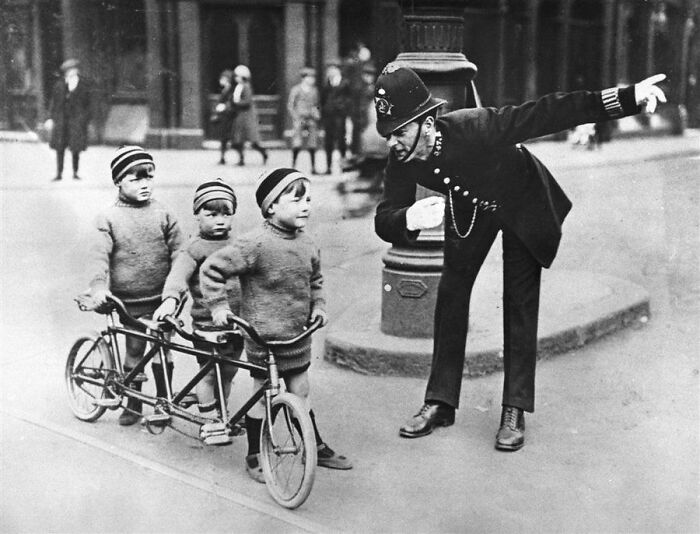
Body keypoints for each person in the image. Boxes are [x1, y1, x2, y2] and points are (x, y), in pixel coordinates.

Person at [372, 64, 667, 450]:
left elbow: (548, 111)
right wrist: (408, 217)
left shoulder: (476, 125)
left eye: (399, 132)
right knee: (451, 293)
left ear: (426, 122)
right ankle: (439, 402)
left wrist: (627, 98)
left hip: (523, 202)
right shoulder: (402, 157)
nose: (392, 142)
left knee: (520, 301)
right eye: (388, 134)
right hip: (472, 209)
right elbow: (384, 218)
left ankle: (514, 408)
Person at [200, 167, 353, 482]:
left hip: (297, 335)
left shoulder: (308, 243)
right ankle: (254, 452)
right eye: (296, 200)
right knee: (261, 393)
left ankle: (313, 444)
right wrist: (218, 306)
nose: (306, 206)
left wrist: (320, 306)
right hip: (263, 336)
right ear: (270, 207)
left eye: (308, 199)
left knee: (301, 388)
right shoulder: (254, 244)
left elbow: (316, 281)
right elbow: (212, 269)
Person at [86, 146, 184, 426]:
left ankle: (164, 404)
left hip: (163, 299)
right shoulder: (108, 218)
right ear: (118, 181)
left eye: (148, 177)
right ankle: (133, 402)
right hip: (131, 302)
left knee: (164, 348)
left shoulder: (164, 214)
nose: (144, 184)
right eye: (135, 179)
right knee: (135, 350)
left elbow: (180, 253)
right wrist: (98, 285)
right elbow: (99, 256)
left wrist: (175, 292)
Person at [153, 179, 242, 440]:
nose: (220, 220)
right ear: (197, 215)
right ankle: (209, 419)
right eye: (211, 214)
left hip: (237, 324)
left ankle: (222, 416)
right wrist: (170, 299)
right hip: (207, 326)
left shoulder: (238, 246)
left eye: (226, 213)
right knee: (208, 375)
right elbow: (177, 277)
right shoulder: (194, 249)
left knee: (228, 372)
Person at [45, 58, 92, 181]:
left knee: (75, 147)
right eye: (69, 71)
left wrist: (84, 119)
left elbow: (88, 104)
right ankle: (59, 173)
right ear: (65, 72)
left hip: (76, 120)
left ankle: (75, 172)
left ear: (77, 71)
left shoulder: (83, 85)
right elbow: (53, 103)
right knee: (59, 148)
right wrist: (50, 118)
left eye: (74, 70)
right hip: (61, 120)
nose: (72, 72)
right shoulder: (59, 85)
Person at [229, 65, 268, 167]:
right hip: (240, 115)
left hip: (247, 116)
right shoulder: (239, 86)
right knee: (238, 139)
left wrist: (236, 103)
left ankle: (263, 152)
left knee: (252, 140)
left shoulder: (246, 87)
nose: (236, 78)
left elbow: (247, 101)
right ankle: (241, 159)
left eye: (238, 76)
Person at [288, 68, 321, 174]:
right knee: (297, 141)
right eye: (309, 77)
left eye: (313, 77)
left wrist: (316, 113)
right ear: (304, 78)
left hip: (311, 118)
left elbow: (317, 104)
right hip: (300, 118)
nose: (312, 80)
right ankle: (293, 165)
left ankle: (313, 167)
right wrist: (295, 116)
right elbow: (290, 105)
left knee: (312, 142)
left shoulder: (314, 90)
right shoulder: (296, 89)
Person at [320, 61, 351, 174]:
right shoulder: (327, 83)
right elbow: (322, 100)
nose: (331, 71)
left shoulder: (345, 83)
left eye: (334, 69)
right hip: (329, 116)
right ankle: (328, 167)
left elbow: (349, 99)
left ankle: (343, 165)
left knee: (341, 140)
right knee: (328, 141)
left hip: (340, 115)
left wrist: (342, 107)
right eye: (330, 69)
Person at [213, 70, 236, 165]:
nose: (220, 80)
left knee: (229, 138)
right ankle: (222, 158)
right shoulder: (226, 89)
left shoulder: (230, 90)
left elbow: (232, 102)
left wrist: (224, 107)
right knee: (224, 138)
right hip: (224, 117)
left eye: (222, 78)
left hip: (228, 117)